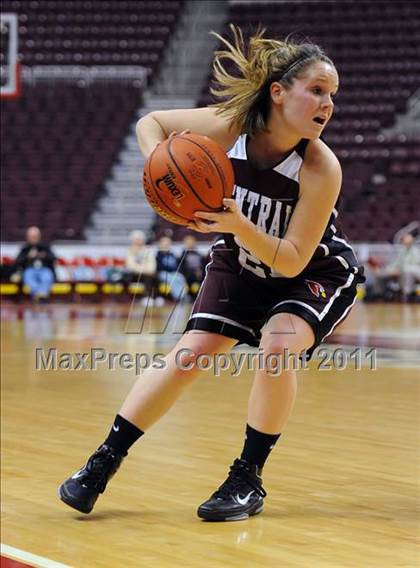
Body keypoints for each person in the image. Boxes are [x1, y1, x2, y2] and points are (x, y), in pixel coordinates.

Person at [58, 26, 365, 521]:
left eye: (332, 95)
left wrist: (239, 222)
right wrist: (163, 171)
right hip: (241, 260)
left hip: (314, 271)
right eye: (317, 90)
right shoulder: (231, 128)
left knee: (278, 344)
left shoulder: (320, 166)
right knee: (189, 355)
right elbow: (151, 124)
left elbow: (289, 259)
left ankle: (247, 478)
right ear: (278, 92)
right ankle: (102, 462)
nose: (327, 104)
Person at [14, 226, 56, 302]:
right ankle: (40, 294)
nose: (33, 238)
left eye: (35, 236)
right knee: (28, 277)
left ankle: (39, 295)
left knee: (47, 276)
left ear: (39, 237)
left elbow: (53, 258)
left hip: (44, 269)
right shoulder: (25, 248)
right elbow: (17, 261)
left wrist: (43, 256)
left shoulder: (45, 247)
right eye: (31, 237)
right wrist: (28, 256)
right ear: (28, 237)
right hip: (30, 270)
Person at [375, 233, 420, 301]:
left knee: (407, 271)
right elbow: (395, 264)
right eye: (405, 239)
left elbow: (415, 265)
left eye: (407, 239)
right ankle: (380, 294)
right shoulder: (402, 251)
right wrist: (389, 270)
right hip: (400, 271)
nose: (405, 241)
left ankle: (407, 295)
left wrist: (399, 269)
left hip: (411, 272)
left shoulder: (416, 251)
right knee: (379, 273)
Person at [125, 230, 157, 304]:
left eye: (139, 239)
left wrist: (149, 270)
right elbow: (131, 266)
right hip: (134, 274)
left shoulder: (147, 250)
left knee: (155, 275)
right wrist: (144, 270)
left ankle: (156, 297)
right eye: (136, 239)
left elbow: (152, 263)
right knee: (147, 276)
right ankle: (146, 297)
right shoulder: (129, 251)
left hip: (147, 272)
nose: (138, 241)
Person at [155, 235, 187, 303]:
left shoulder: (172, 254)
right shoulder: (158, 255)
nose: (166, 244)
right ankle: (178, 297)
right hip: (162, 273)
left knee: (180, 277)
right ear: (160, 244)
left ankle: (183, 295)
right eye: (164, 243)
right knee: (172, 279)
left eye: (168, 243)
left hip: (173, 272)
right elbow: (159, 267)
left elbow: (176, 266)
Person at [178, 234, 205, 300]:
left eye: (192, 241)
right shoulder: (182, 255)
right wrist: (193, 273)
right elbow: (181, 269)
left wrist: (200, 272)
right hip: (189, 277)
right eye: (188, 242)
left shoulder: (199, 254)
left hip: (200, 275)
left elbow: (203, 266)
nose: (190, 243)